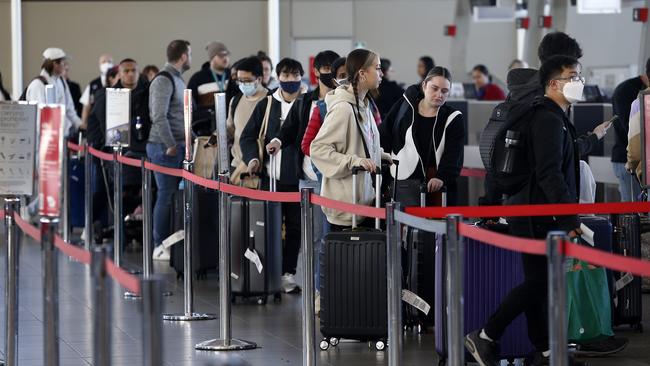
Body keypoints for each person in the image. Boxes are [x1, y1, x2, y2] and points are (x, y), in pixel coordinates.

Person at [264, 50, 340, 298]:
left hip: (337, 176)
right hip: (309, 176)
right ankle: (320, 290)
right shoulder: (305, 102)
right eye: (326, 70)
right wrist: (276, 140)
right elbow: (290, 129)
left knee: (335, 234)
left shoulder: (344, 101)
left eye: (335, 70)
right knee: (315, 236)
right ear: (316, 72)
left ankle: (335, 287)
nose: (330, 75)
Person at [239, 57, 306, 293]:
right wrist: (253, 159)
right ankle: (268, 272)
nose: (290, 81)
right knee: (269, 226)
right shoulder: (267, 104)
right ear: (278, 78)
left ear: (301, 76)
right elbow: (247, 136)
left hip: (299, 179)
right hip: (270, 178)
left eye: (294, 75)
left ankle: (288, 273)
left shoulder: (308, 102)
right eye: (285, 76)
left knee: (296, 228)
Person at [310, 48, 391, 230]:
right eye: (377, 68)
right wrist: (355, 161)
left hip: (364, 202)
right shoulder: (343, 109)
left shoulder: (363, 105)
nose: (381, 73)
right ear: (362, 73)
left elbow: (361, 144)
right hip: (346, 209)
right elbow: (319, 149)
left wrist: (379, 155)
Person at [379, 66, 465, 206]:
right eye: (434, 88)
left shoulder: (453, 118)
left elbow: (454, 154)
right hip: (403, 181)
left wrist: (442, 177)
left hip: (436, 186)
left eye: (444, 91)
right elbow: (384, 135)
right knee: (402, 225)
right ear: (424, 85)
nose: (439, 95)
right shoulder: (405, 106)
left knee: (436, 226)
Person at [88, 59, 149, 240]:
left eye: (133, 71)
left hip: (140, 150)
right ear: (119, 74)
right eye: (126, 71)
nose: (130, 74)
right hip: (111, 150)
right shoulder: (107, 96)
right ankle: (114, 230)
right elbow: (101, 123)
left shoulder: (145, 92)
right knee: (112, 192)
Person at [147, 40, 191, 260]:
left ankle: (169, 242)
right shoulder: (163, 80)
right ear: (183, 56)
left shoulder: (177, 78)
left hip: (178, 146)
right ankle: (159, 244)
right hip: (163, 148)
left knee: (173, 196)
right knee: (164, 196)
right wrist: (171, 144)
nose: (190, 58)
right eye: (189, 54)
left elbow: (179, 114)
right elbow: (159, 115)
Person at [610, 60, 649, 201]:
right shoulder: (627, 92)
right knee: (632, 212)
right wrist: (632, 162)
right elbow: (631, 132)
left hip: (641, 162)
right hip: (626, 160)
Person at [226, 56, 269, 183]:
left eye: (247, 80)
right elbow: (230, 129)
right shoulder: (235, 100)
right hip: (238, 164)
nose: (243, 84)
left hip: (263, 167)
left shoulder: (271, 100)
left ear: (259, 79)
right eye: (240, 81)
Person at [25, 47, 82, 136]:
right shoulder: (38, 85)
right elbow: (39, 117)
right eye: (63, 62)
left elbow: (69, 109)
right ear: (55, 64)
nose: (65, 66)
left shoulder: (61, 81)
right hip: (44, 140)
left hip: (62, 135)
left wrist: (80, 124)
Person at [187, 41, 231, 128]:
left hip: (229, 126)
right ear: (212, 58)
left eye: (227, 55)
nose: (225, 58)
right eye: (221, 56)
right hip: (206, 128)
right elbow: (190, 107)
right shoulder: (198, 78)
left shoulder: (232, 76)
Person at [80, 54, 114, 130]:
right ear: (99, 65)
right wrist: (84, 123)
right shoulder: (93, 84)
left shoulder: (118, 82)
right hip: (96, 123)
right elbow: (86, 106)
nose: (106, 64)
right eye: (104, 62)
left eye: (109, 61)